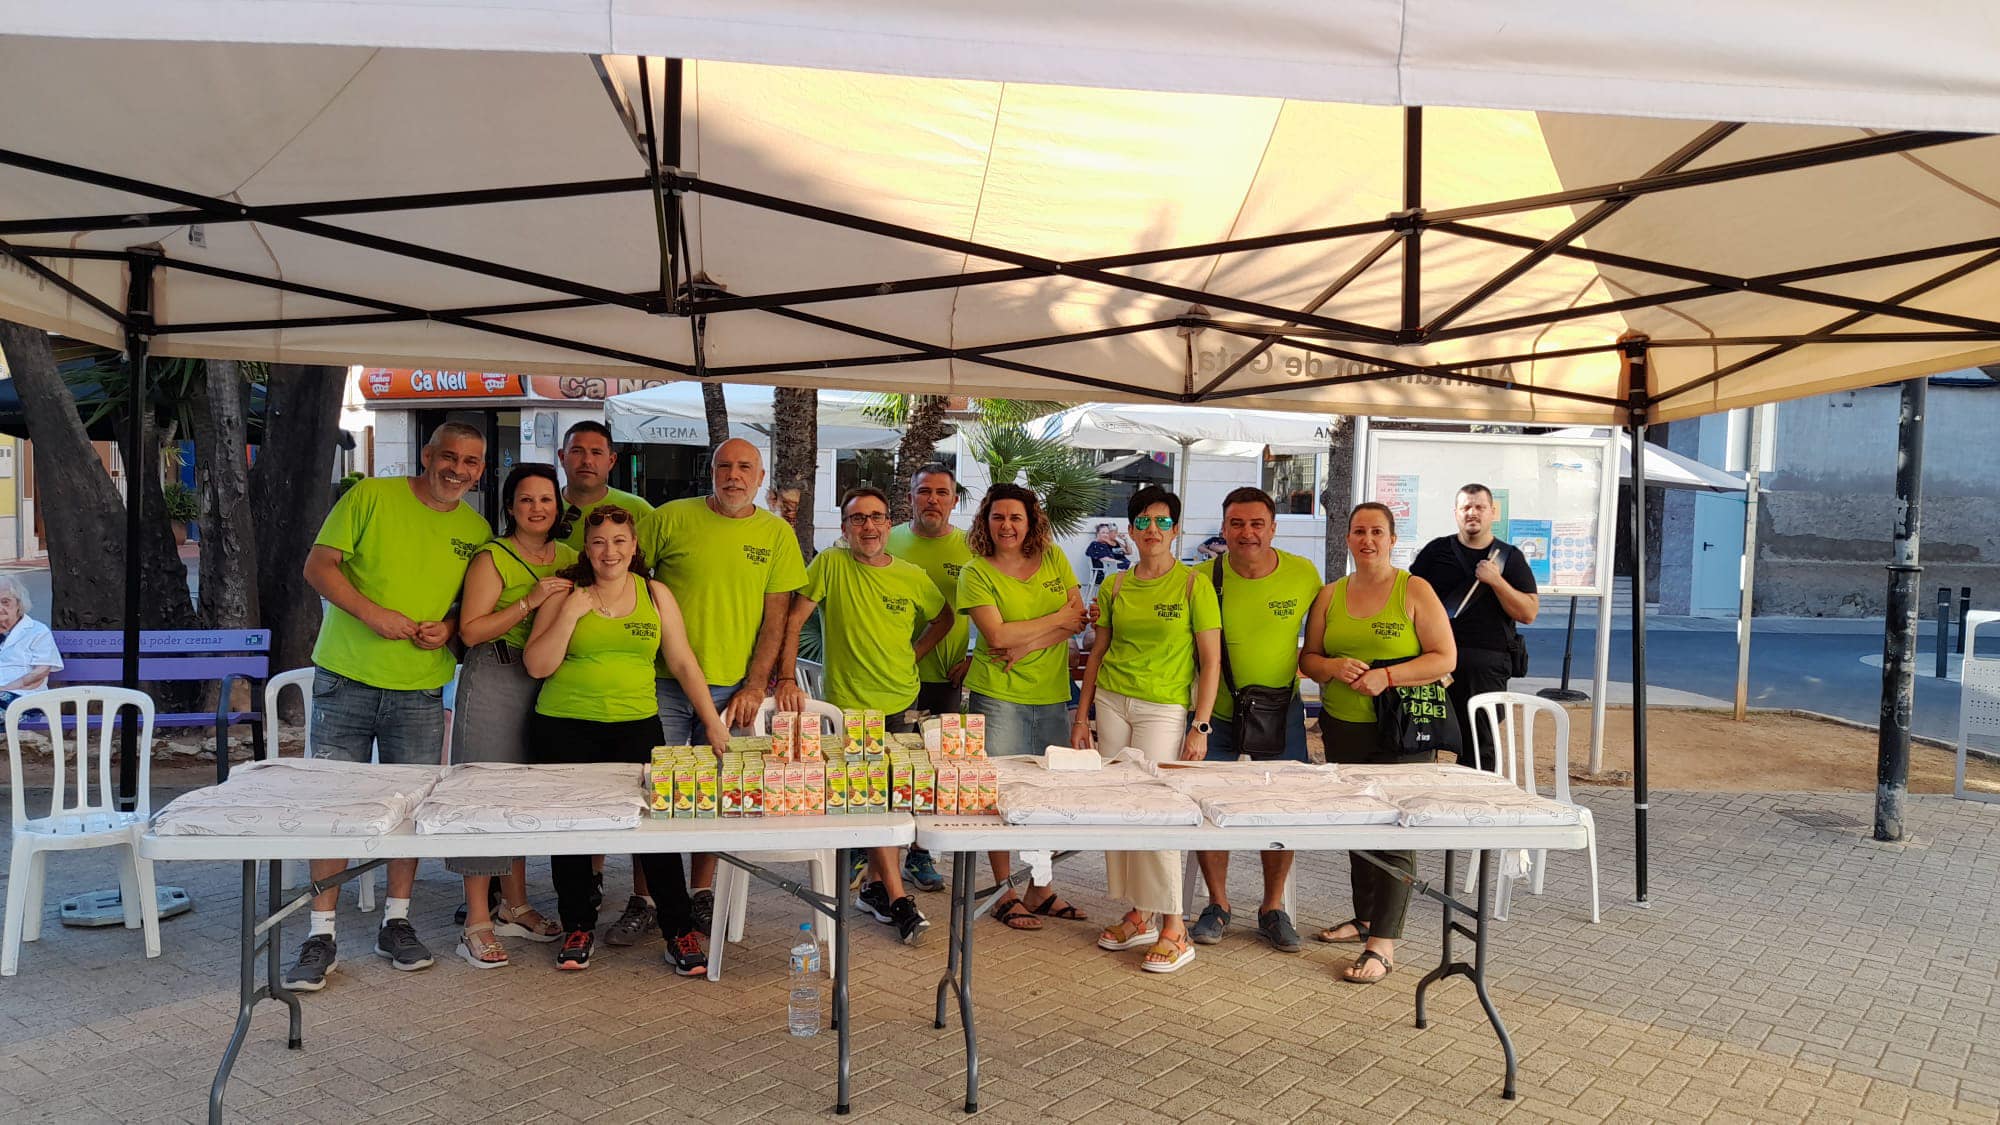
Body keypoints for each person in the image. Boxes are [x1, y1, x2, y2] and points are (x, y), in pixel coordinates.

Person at [286, 422, 492, 992]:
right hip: (346, 679)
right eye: (448, 456)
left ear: (480, 470)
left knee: (410, 811)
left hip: (421, 687)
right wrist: (375, 616)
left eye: (471, 462)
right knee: (332, 806)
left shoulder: (476, 530)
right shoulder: (370, 495)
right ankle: (320, 932)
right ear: (427, 456)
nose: (458, 469)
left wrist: (448, 627)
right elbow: (318, 567)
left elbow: (465, 607)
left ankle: (395, 923)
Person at [524, 504, 729, 974]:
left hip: (636, 725)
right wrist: (571, 614)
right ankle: (578, 925)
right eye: (598, 542)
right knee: (573, 831)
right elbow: (537, 666)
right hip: (564, 724)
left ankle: (678, 929)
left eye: (619, 541)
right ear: (587, 549)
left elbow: (681, 662)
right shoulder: (565, 594)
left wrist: (712, 721)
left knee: (655, 834)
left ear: (634, 547)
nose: (609, 551)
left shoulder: (655, 594)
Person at [636, 437, 807, 936]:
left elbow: (775, 621)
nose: (734, 476)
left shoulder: (776, 535)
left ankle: (701, 893)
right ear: (710, 472)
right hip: (663, 683)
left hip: (731, 691)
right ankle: (644, 897)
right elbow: (625, 578)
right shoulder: (670, 518)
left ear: (760, 478)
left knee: (714, 794)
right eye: (724, 466)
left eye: (745, 468)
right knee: (655, 791)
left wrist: (757, 686)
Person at [774, 486, 950, 943]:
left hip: (901, 701)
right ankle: (897, 898)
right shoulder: (831, 565)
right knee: (876, 800)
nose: (868, 527)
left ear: (889, 524)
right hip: (850, 708)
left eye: (876, 517)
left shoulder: (911, 576)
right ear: (845, 527)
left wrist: (916, 653)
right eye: (857, 519)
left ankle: (873, 888)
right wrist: (787, 677)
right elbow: (795, 619)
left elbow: (944, 617)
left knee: (892, 797)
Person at [1300, 502, 1456, 983]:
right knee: (1358, 827)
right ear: (1348, 539)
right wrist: (1333, 668)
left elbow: (1444, 658)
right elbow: (1309, 659)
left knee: (1395, 830)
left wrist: (1387, 676)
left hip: (1402, 731)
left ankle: (1383, 942)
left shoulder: (1415, 590)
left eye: (1377, 532)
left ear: (1392, 539)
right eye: (1359, 531)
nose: (1367, 540)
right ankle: (1364, 917)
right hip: (1344, 725)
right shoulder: (1330, 594)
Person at [1072, 486, 1220, 973]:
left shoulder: (1194, 585)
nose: (1152, 530)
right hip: (1113, 703)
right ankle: (1140, 913)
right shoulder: (1115, 586)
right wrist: (1083, 716)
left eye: (1162, 521)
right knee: (1122, 811)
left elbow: (1211, 660)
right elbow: (1097, 652)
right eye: (1143, 521)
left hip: (1164, 708)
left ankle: (1175, 927)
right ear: (1130, 529)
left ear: (1176, 529)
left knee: (1159, 813)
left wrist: (1200, 726)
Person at [445, 463, 574, 969]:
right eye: (526, 500)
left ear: (557, 507)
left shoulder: (566, 556)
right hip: (495, 675)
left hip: (545, 682)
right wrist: (530, 600)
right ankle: (477, 919)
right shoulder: (492, 557)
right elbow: (472, 631)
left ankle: (514, 904)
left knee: (520, 794)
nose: (537, 508)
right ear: (510, 506)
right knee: (482, 793)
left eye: (546, 499)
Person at [1187, 487, 1324, 951]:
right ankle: (1218, 904)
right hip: (1217, 714)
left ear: (1273, 527)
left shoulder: (1303, 574)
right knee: (1209, 808)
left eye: (1256, 523)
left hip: (1280, 712)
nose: (1247, 533)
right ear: (1224, 528)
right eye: (1237, 524)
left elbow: (1325, 641)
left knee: (1282, 808)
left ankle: (1272, 907)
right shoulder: (1202, 578)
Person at [957, 482, 1091, 931]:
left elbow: (1080, 620)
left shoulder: (1053, 558)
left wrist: (1025, 643)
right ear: (986, 522)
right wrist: (1052, 624)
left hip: (1051, 693)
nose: (1007, 525)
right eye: (998, 517)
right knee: (997, 797)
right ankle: (1002, 891)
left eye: (1016, 517)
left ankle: (1041, 888)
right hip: (998, 698)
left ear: (1030, 520)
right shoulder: (976, 571)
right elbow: (996, 638)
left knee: (1045, 798)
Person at [1408, 483, 1539, 771]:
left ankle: (1479, 806)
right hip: (1435, 662)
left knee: (1480, 745)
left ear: (1492, 513)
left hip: (1486, 666)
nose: (1473, 513)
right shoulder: (1436, 552)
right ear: (1456, 513)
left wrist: (1496, 581)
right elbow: (1408, 599)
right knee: (1424, 737)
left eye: (1480, 507)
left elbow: (1528, 612)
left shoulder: (1509, 557)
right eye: (1466, 507)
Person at [885, 462, 971, 893]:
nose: (932, 499)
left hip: (947, 677)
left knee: (937, 767)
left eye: (941, 492)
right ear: (910, 498)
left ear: (954, 500)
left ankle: (921, 854)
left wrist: (976, 656)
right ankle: (878, 851)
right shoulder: (890, 539)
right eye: (924, 491)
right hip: (889, 679)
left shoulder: (971, 546)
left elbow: (999, 605)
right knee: (890, 765)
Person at [555, 420, 653, 552]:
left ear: (611, 460)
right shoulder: (542, 508)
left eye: (596, 452)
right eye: (577, 451)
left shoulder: (638, 510)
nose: (587, 461)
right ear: (562, 457)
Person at [0, 574, 61, 707]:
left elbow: (40, 673)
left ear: (18, 604)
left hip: (25, 698)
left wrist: (6, 689)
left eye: (5, 602)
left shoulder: (37, 631)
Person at [1083, 522, 1133, 589]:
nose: (1106, 535)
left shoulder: (1105, 545)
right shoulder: (1095, 544)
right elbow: (1105, 559)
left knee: (1135, 569)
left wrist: (1125, 540)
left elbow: (1129, 552)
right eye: (1103, 532)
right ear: (1097, 533)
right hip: (1104, 573)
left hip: (1112, 571)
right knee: (1134, 569)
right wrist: (1122, 563)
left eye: (1107, 533)